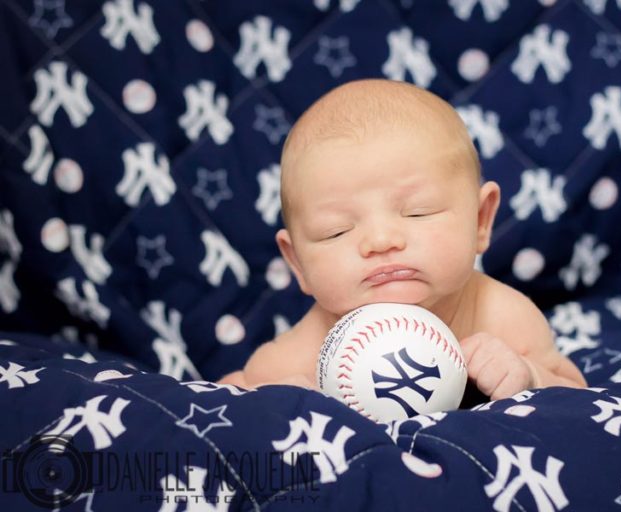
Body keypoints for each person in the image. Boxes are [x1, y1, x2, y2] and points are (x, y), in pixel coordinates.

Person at [219, 79, 586, 400]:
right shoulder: (303, 352)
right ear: (297, 262)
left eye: (418, 211)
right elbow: (220, 398)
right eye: (337, 231)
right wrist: (268, 402)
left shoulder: (503, 317)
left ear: (480, 221)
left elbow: (579, 395)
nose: (380, 240)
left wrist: (530, 375)